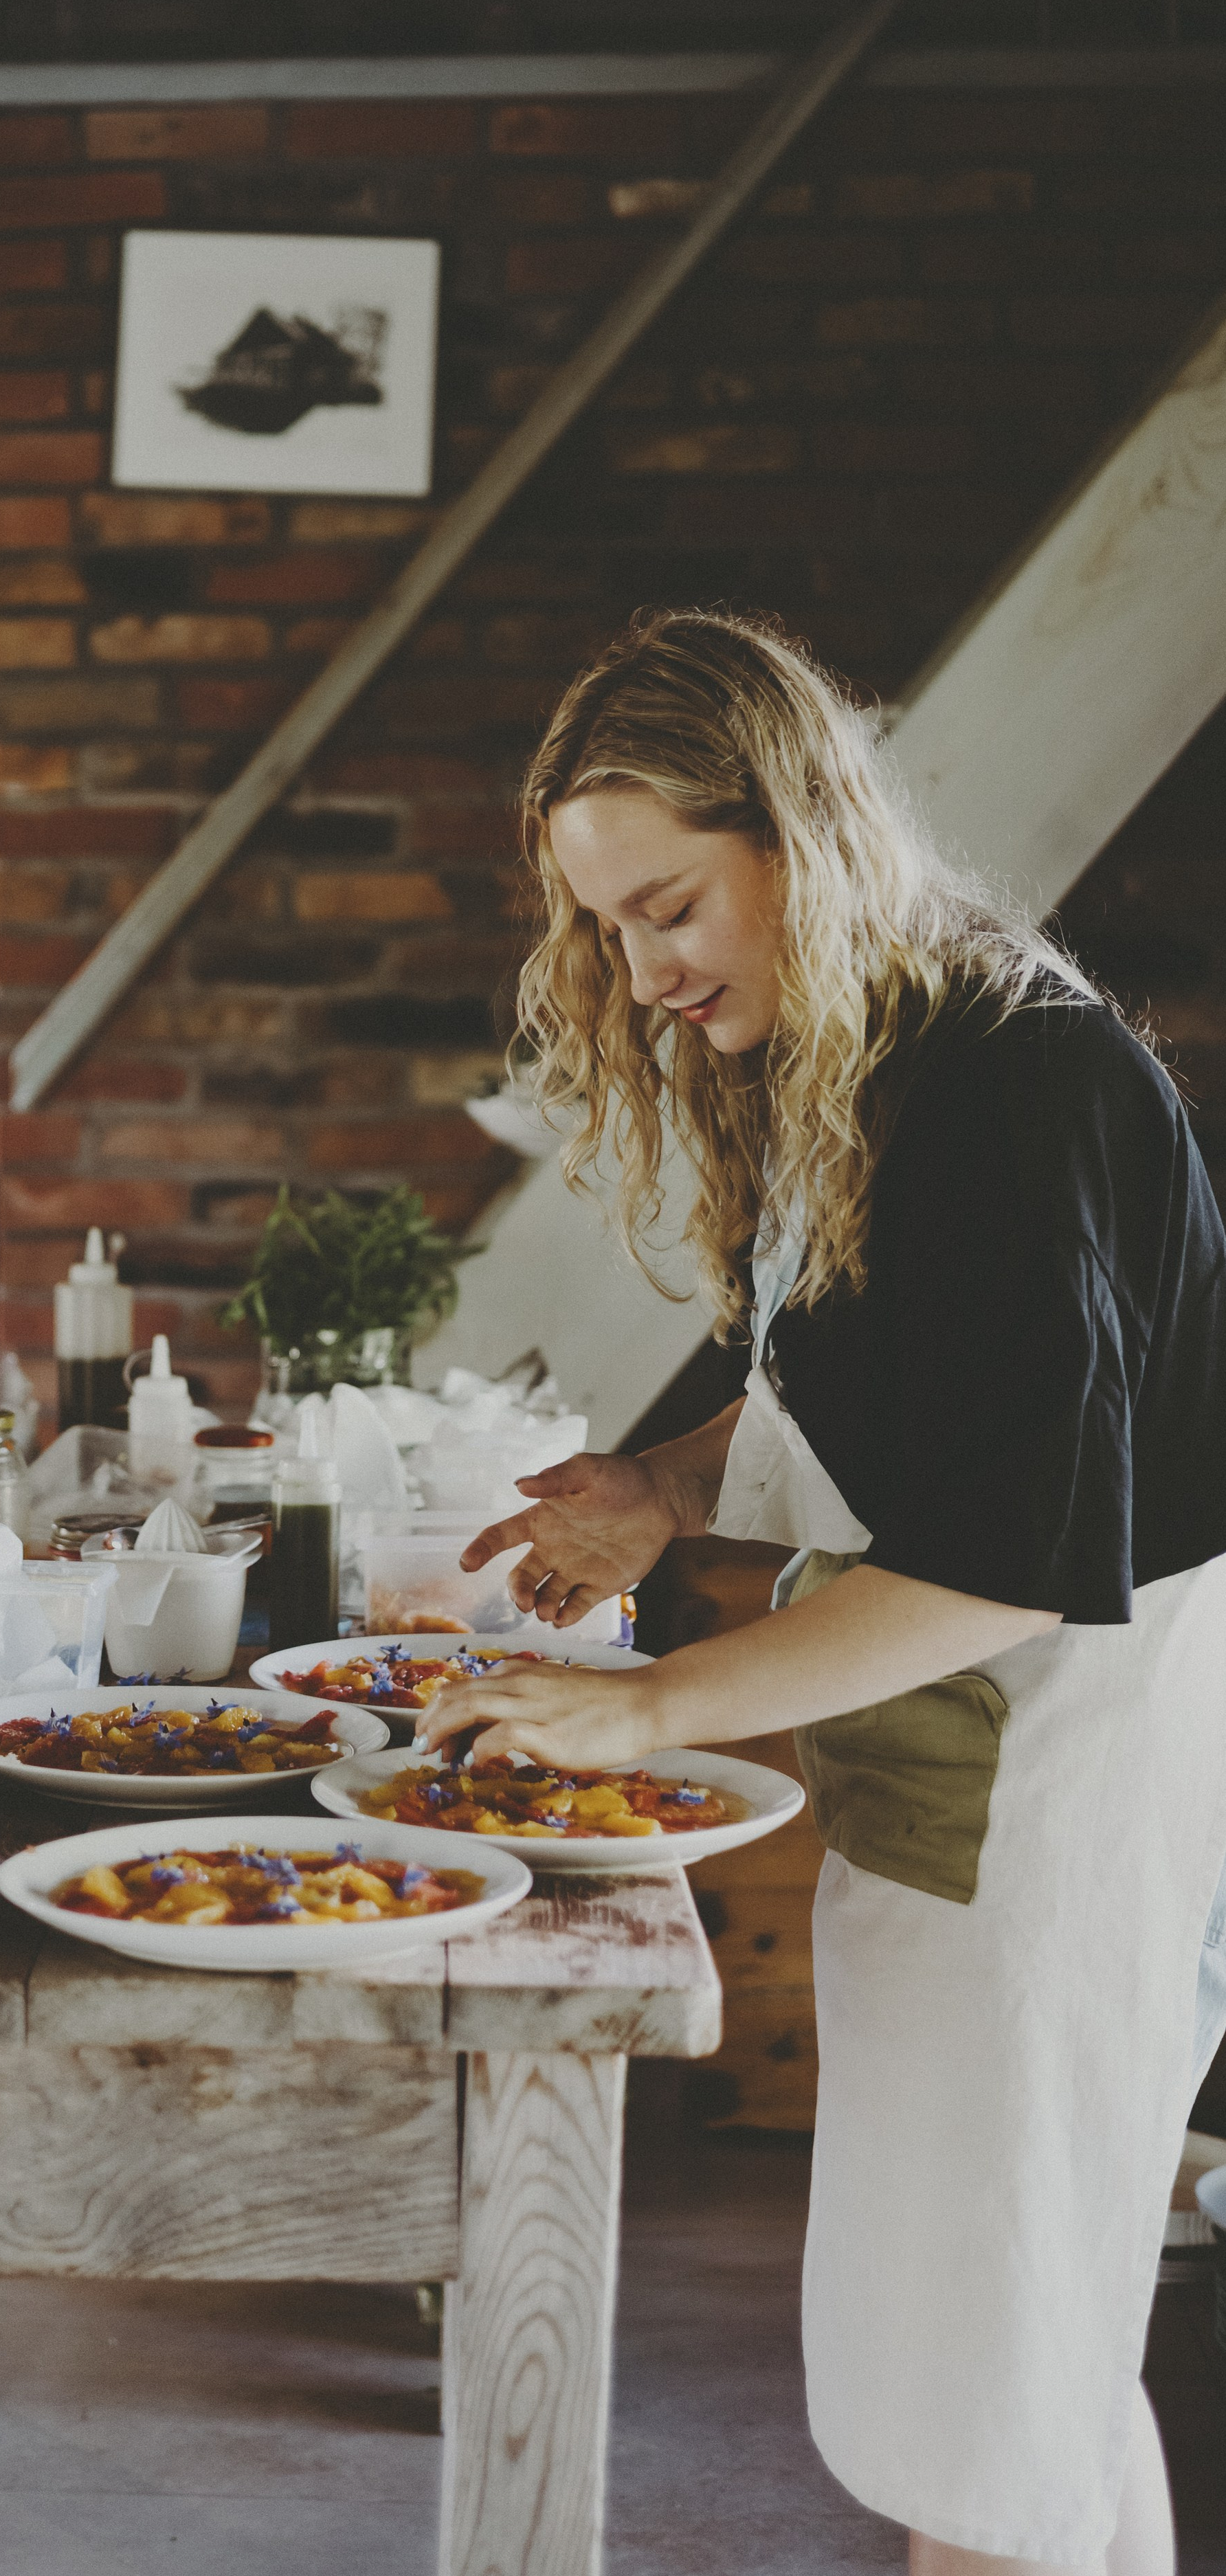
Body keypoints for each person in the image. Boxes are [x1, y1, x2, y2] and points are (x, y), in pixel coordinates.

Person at [425, 611, 1226, 2576]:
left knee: (991, 2392)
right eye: (609, 929)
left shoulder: (1015, 1091)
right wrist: (662, 1488)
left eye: (671, 905)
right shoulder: (877, 1053)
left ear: (800, 830)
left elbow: (1016, 1552)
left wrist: (640, 1711)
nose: (646, 971)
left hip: (1051, 1783)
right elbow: (884, 1388)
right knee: (1012, 2362)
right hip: (942, 1766)